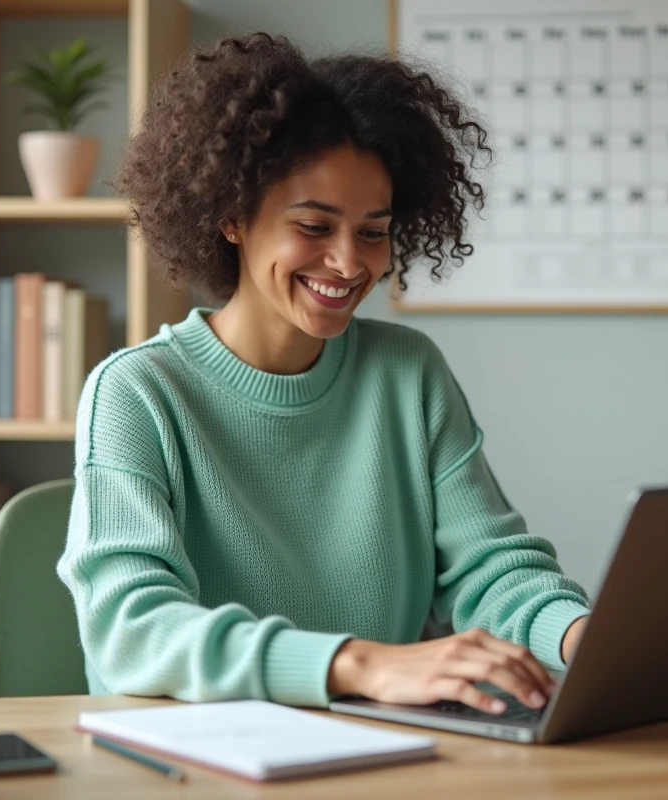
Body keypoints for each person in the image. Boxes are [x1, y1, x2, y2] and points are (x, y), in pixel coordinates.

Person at [57, 32, 590, 717]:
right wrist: (358, 664)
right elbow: (130, 629)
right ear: (231, 217)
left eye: (373, 232)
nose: (349, 262)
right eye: (314, 226)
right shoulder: (136, 393)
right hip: (198, 751)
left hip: (379, 748)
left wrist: (585, 637)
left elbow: (492, 570)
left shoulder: (408, 374)